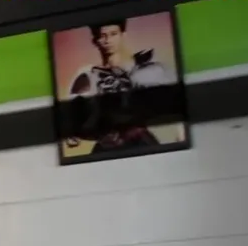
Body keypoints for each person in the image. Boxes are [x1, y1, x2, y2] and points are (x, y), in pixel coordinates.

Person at [65, 19, 179, 153]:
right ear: (95, 40)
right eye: (102, 36)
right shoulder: (87, 75)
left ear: (123, 35)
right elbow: (74, 126)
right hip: (107, 148)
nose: (108, 40)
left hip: (141, 143)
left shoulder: (147, 68)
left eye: (113, 34)